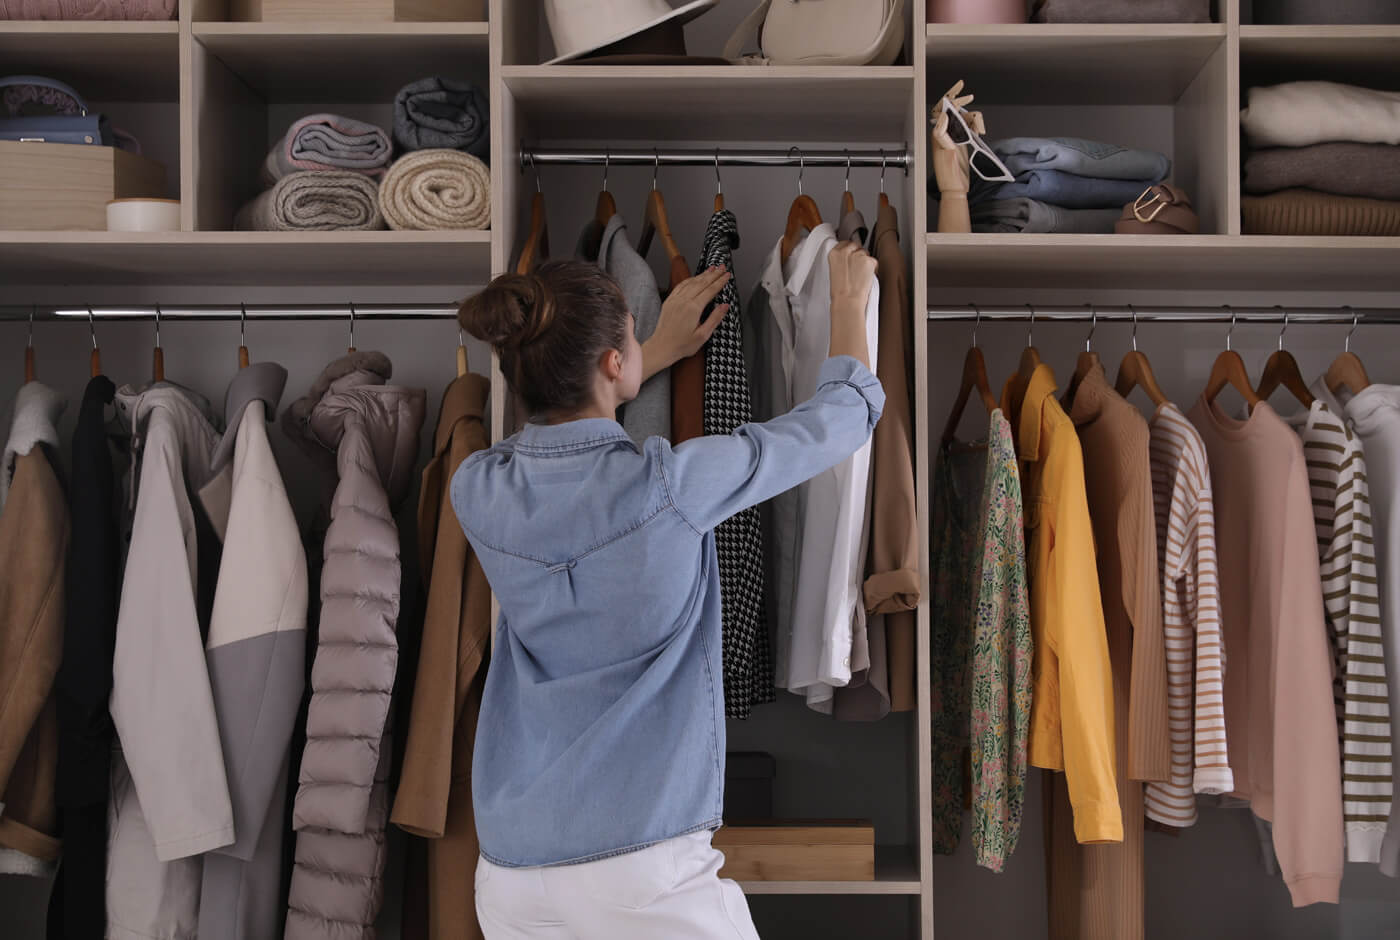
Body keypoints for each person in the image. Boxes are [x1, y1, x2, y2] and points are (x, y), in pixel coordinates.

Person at [454, 242, 885, 938]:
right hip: (638, 867)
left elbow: (548, 440)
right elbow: (842, 417)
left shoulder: (477, 490)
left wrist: (639, 359)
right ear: (611, 363)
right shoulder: (673, 487)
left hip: (510, 870)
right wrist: (846, 301)